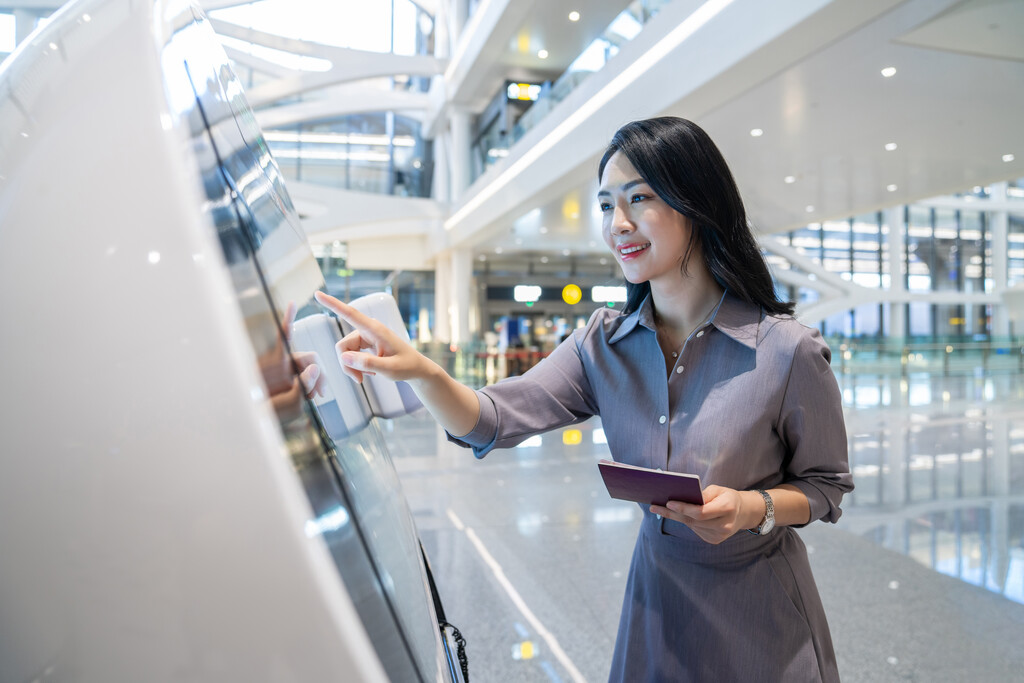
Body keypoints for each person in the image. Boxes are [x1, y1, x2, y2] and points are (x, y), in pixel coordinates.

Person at [315, 116, 853, 682]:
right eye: (605, 204)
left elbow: (825, 486)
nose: (617, 224)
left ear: (697, 204)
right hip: (657, 605)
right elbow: (491, 420)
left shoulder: (785, 351)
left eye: (639, 198)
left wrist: (752, 509)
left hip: (762, 621)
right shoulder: (604, 344)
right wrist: (422, 372)